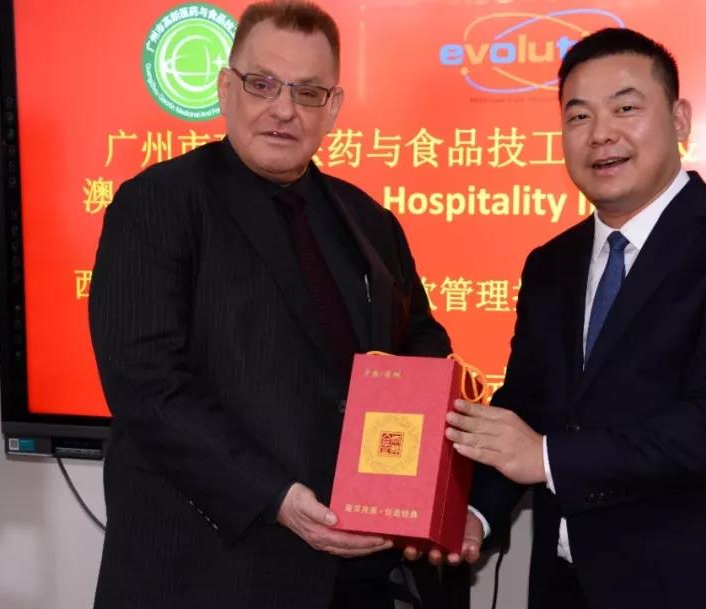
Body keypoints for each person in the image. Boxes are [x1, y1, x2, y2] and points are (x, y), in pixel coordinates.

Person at [87, 2, 452, 608]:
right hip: (207, 573)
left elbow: (420, 338)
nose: (283, 109)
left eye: (307, 93)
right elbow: (147, 387)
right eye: (262, 84)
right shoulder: (158, 204)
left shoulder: (368, 220)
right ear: (225, 88)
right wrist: (274, 496)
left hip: (352, 576)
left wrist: (409, 483)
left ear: (333, 108)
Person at [433, 28, 706, 609]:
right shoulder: (551, 263)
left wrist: (548, 457)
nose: (601, 133)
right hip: (564, 586)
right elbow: (528, 403)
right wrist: (476, 513)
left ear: (680, 120)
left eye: (626, 108)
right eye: (579, 116)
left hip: (693, 588)